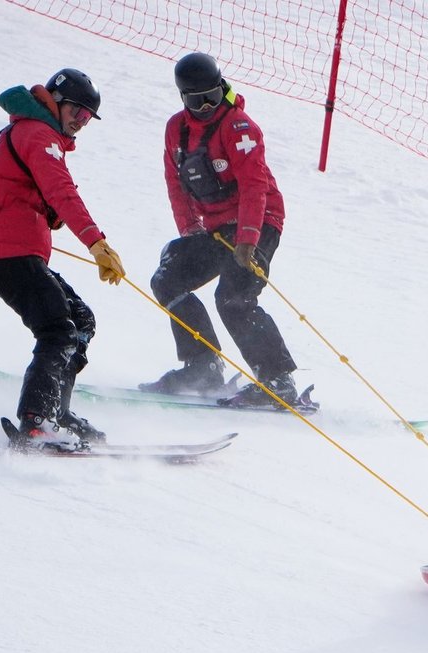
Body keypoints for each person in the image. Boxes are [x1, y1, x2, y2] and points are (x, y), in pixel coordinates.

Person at [0, 68, 125, 447]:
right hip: (7, 253)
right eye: (76, 113)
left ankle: (54, 413)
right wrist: (97, 244)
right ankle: (37, 420)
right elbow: (61, 192)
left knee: (79, 320)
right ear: (56, 102)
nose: (79, 123)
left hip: (9, 253)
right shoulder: (39, 135)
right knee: (58, 330)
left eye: (86, 119)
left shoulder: (17, 132)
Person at [140, 52, 297, 407]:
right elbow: (176, 183)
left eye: (213, 95)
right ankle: (202, 365)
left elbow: (255, 186)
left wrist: (247, 241)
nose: (206, 105)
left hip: (257, 222)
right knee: (168, 278)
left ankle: (278, 382)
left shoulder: (239, 127)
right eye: (196, 100)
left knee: (233, 295)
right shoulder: (175, 129)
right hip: (213, 229)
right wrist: (190, 230)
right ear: (183, 97)